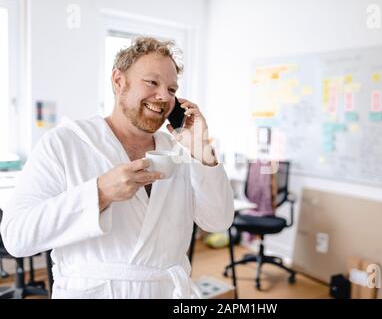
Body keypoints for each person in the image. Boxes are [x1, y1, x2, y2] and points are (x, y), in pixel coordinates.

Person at [0, 37, 234, 298]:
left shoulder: (182, 151)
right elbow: (16, 237)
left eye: (171, 89)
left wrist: (201, 149)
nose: (164, 96)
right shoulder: (64, 143)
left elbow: (218, 221)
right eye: (152, 82)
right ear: (119, 81)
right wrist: (99, 193)